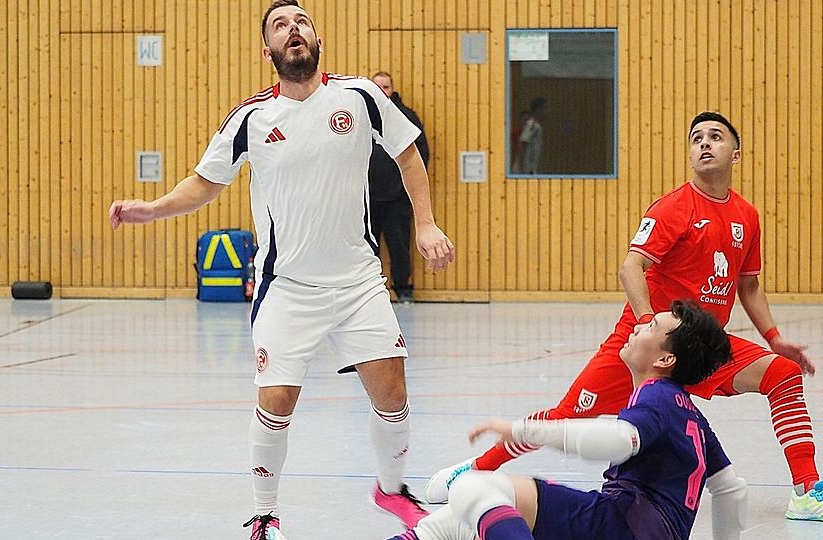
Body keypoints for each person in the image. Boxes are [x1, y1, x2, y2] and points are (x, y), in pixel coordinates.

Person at [107, 1, 454, 538]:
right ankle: (265, 516)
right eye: (280, 26)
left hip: (358, 281)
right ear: (267, 50)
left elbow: (408, 153)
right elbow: (206, 182)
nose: (294, 30)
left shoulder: (360, 97)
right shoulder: (251, 118)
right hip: (286, 288)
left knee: (394, 397)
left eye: (301, 22)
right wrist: (152, 209)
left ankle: (392, 489)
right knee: (276, 403)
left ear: (316, 39)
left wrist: (426, 224)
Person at [427, 111, 823, 522]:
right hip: (648, 339)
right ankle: (476, 469)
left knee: (782, 373)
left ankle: (807, 490)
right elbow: (630, 267)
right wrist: (646, 327)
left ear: (736, 153)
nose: (705, 144)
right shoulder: (674, 207)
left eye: (715, 137)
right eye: (696, 139)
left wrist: (774, 336)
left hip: (704, 345)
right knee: (567, 415)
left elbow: (749, 285)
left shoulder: (748, 215)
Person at [391, 301, 748, 540]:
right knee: (457, 518)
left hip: (621, 526)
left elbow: (623, 440)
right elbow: (731, 488)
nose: (639, 326)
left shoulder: (656, 394)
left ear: (666, 359)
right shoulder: (690, 414)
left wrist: (527, 430)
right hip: (625, 525)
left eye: (652, 326)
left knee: (472, 488)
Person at [369, 71, 429, 304]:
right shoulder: (360, 116)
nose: (382, 91)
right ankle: (370, 293)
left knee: (399, 245)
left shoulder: (406, 116)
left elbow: (420, 154)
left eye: (386, 87)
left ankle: (404, 289)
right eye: (378, 87)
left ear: (392, 89)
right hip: (367, 196)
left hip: (397, 197)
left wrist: (409, 190)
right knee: (367, 248)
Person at [510, 98, 546, 174]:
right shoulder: (531, 125)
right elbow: (522, 145)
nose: (547, 111)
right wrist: (524, 171)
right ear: (538, 110)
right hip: (523, 172)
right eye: (545, 108)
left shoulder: (537, 126)